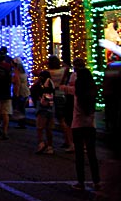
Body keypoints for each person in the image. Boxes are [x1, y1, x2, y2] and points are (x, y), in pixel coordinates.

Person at [60, 59, 101, 190]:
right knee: (92, 153)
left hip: (78, 124)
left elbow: (61, 87)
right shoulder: (92, 92)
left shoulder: (77, 91)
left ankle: (81, 182)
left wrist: (66, 72)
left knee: (79, 155)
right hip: (91, 125)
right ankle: (97, 181)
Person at [48, 55, 75, 151]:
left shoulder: (49, 72)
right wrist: (62, 63)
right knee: (63, 118)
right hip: (62, 93)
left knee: (58, 118)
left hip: (53, 93)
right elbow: (67, 67)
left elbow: (37, 72)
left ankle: (67, 140)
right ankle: (67, 140)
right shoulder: (63, 71)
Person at [30, 70, 56, 154]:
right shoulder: (51, 84)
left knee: (40, 127)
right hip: (51, 107)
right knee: (49, 128)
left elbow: (33, 91)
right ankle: (50, 146)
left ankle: (41, 143)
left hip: (42, 107)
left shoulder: (39, 85)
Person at [12, 57, 30, 128]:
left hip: (21, 91)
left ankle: (21, 122)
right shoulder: (24, 71)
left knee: (20, 106)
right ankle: (22, 122)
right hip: (25, 89)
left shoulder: (16, 72)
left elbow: (17, 84)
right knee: (22, 107)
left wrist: (16, 93)